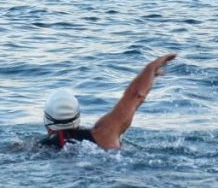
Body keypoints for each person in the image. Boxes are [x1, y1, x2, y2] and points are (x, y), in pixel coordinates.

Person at [41, 54, 177, 150]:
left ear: (47, 122)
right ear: (77, 116)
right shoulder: (104, 133)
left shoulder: (36, 147)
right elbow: (136, 96)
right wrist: (151, 68)